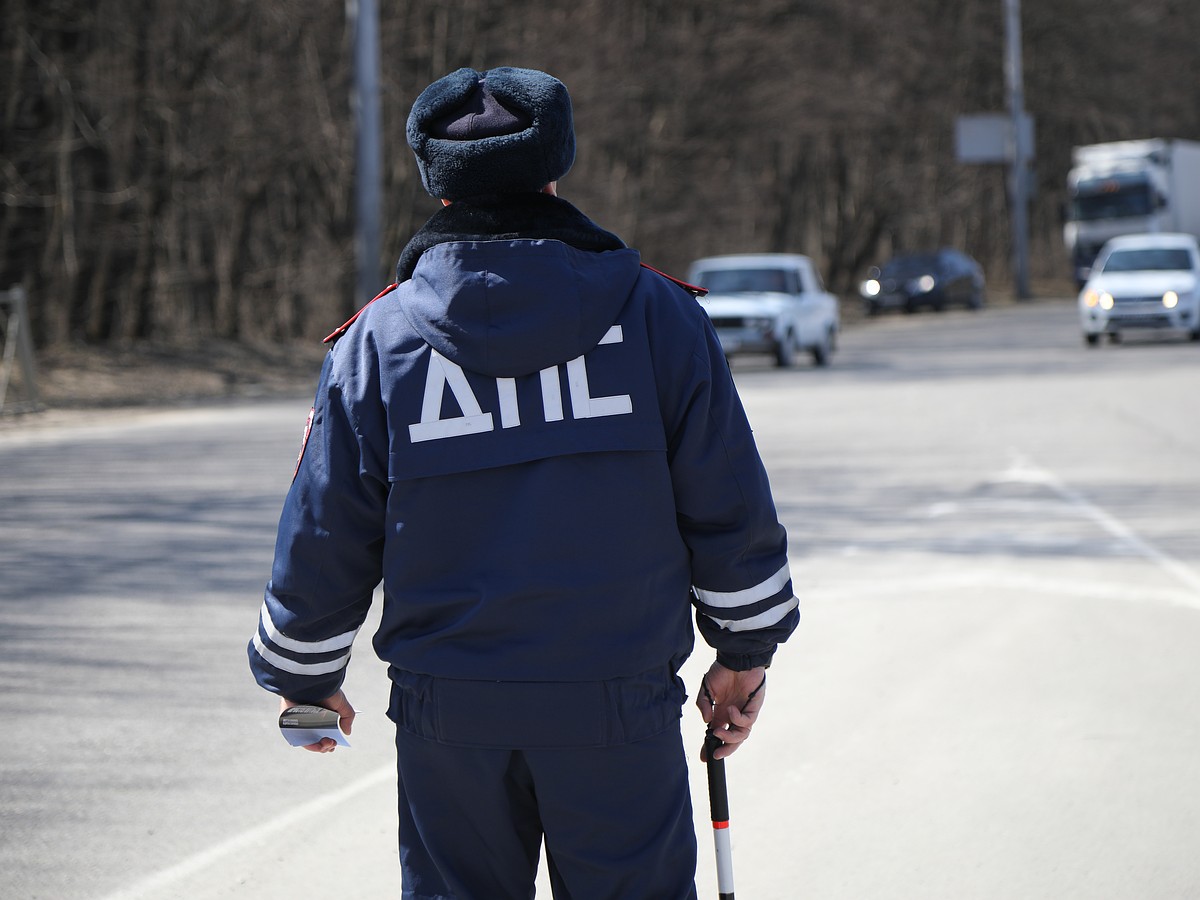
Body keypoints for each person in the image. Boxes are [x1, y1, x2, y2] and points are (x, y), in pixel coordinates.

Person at [248, 65, 798, 900]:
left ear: (439, 187)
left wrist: (307, 683)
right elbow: (728, 505)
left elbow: (327, 529)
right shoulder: (659, 318)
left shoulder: (377, 344)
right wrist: (743, 655)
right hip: (617, 701)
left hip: (451, 715)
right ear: (555, 169)